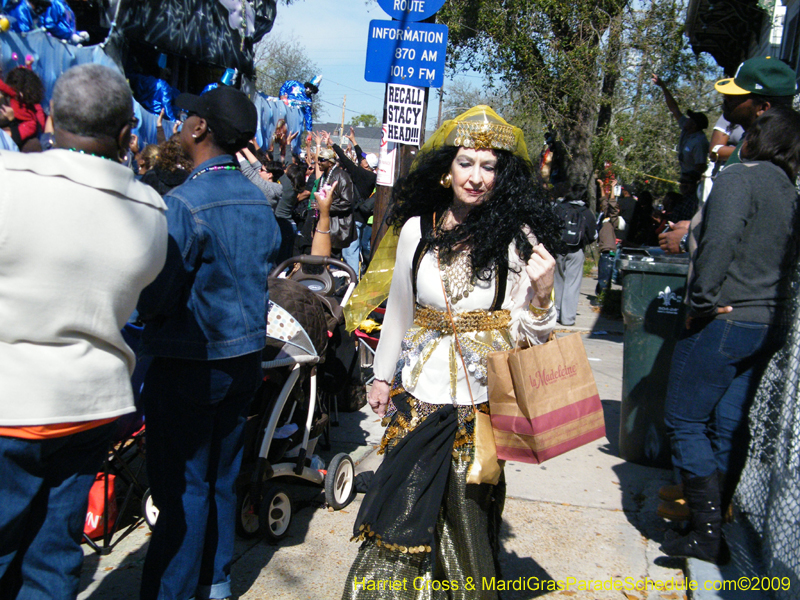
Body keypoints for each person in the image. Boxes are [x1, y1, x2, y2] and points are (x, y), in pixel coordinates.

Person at [342, 105, 560, 599]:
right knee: (400, 518)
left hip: (480, 409)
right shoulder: (417, 230)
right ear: (447, 167)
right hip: (418, 400)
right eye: (466, 163)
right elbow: (399, 310)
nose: (476, 178)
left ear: (502, 176)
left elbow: (534, 337)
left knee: (467, 529)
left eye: (489, 166)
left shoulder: (516, 239)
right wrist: (381, 377)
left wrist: (544, 294)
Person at [0, 63, 168, 600]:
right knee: (52, 557)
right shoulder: (149, 211)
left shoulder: (11, 183)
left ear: (48, 119)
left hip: (10, 403)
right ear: (126, 136)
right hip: (88, 406)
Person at [137, 86, 281, 600]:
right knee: (219, 480)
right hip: (244, 363)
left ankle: (172, 591)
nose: (178, 123)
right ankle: (214, 582)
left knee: (183, 489)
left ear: (199, 128)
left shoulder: (184, 202)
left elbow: (156, 297)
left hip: (190, 365)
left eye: (185, 116)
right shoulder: (256, 199)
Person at [661, 106, 800, 564]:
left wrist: (699, 302)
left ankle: (705, 531)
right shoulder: (788, 190)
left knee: (684, 418)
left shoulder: (741, 178)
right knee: (727, 425)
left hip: (726, 317)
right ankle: (711, 521)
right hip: (767, 323)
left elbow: (718, 243)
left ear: (761, 137)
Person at [659, 56, 797, 254]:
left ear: (762, 108)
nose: (726, 98)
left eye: (737, 96)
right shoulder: (746, 146)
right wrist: (695, 226)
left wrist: (687, 239)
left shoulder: (771, 158)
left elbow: (757, 237)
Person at [651, 73, 710, 181]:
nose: (686, 119)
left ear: (694, 125)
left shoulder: (699, 142)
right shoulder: (686, 129)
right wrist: (663, 86)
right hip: (685, 177)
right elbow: (674, 109)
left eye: (690, 119)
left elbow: (700, 166)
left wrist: (690, 182)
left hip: (692, 182)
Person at [553, 183, 596, 325]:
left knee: (558, 281)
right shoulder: (587, 213)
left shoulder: (559, 208)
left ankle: (555, 314)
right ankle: (568, 318)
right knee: (572, 283)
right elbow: (592, 235)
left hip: (559, 249)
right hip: (576, 251)